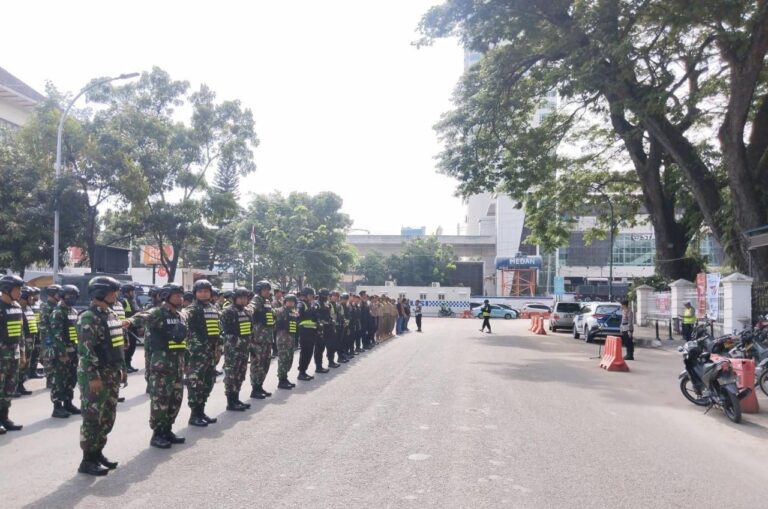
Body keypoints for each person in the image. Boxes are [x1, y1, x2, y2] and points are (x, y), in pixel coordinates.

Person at [76, 276, 126, 475]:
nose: (116, 295)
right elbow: (86, 351)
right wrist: (93, 376)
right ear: (100, 293)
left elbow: (117, 345)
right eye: (112, 292)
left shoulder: (111, 314)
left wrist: (121, 369)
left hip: (111, 372)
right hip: (95, 376)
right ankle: (87, 460)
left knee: (107, 417)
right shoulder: (88, 318)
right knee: (92, 418)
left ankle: (97, 452)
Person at [140, 284, 188, 448]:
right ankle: (157, 434)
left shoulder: (181, 315)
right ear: (166, 296)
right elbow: (143, 316)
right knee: (161, 400)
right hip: (161, 365)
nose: (180, 298)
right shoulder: (157, 313)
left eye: (181, 296)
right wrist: (128, 321)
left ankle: (167, 430)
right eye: (176, 295)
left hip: (177, 365)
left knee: (175, 399)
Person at [185, 279, 220, 427]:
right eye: (200, 291)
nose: (203, 294)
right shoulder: (193, 309)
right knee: (196, 384)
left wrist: (219, 346)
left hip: (211, 352)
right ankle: (194, 415)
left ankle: (201, 411)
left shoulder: (213, 308)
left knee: (208, 382)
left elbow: (218, 328)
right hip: (197, 354)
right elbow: (184, 315)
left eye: (206, 291)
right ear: (195, 293)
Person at [49, 285, 82, 418]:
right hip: (61, 352)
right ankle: (57, 407)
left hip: (73, 350)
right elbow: (56, 335)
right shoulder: (58, 312)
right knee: (59, 379)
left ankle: (68, 403)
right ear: (62, 297)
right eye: (69, 297)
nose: (72, 299)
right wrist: (62, 353)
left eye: (74, 297)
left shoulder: (74, 312)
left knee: (71, 378)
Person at [0, 275, 26, 434]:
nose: (20, 293)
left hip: (14, 353)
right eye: (17, 290)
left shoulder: (17, 306)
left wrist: (22, 353)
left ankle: (5, 418)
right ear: (6, 290)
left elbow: (20, 333)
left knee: (9, 388)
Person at [221, 287, 252, 410]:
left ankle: (236, 398)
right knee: (232, 374)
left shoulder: (246, 311)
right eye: (241, 297)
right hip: (233, 348)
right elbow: (224, 329)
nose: (243, 300)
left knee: (240, 373)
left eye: (245, 298)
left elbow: (250, 328)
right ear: (235, 298)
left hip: (244, 347)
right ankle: (231, 402)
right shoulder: (228, 311)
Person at [249, 280, 275, 399]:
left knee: (265, 363)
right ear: (259, 290)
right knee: (257, 363)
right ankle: (255, 389)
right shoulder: (257, 299)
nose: (267, 292)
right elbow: (251, 307)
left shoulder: (268, 301)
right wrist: (248, 310)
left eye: (268, 290)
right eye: (265, 289)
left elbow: (272, 313)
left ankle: (260, 385)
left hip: (267, 338)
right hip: (257, 338)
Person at [39, 284, 62, 388]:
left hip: (55, 335)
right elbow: (44, 324)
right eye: (58, 293)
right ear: (52, 294)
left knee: (56, 357)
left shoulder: (57, 305)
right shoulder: (46, 306)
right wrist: (49, 336)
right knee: (48, 358)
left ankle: (55, 378)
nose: (60, 296)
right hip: (48, 336)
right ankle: (49, 380)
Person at [273, 293, 299, 389]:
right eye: (288, 301)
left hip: (291, 338)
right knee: (283, 359)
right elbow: (275, 313)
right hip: (282, 339)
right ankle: (281, 380)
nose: (290, 303)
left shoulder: (294, 312)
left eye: (292, 301)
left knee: (289, 359)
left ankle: (285, 377)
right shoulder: (281, 311)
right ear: (285, 302)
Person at [15, 287, 37, 396]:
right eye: (30, 296)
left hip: (30, 341)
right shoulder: (18, 309)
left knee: (26, 364)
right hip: (22, 341)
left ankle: (20, 384)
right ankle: (15, 387)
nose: (32, 298)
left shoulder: (29, 308)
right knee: (19, 365)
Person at [296, 287, 319, 381]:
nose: (312, 297)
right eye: (310, 295)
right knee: (305, 353)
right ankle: (301, 372)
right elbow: (297, 316)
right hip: (304, 333)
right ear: (305, 295)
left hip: (311, 333)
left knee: (309, 353)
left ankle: (304, 371)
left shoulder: (310, 305)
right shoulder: (301, 305)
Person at [118, 284, 140, 373]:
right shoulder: (123, 301)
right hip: (127, 329)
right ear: (126, 292)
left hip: (133, 327)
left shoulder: (133, 301)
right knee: (127, 348)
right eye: (132, 291)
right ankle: (125, 366)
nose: (133, 293)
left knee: (132, 347)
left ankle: (129, 364)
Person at [315, 289, 332, 371]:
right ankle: (318, 366)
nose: (327, 297)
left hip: (326, 328)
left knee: (322, 348)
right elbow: (316, 316)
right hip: (319, 329)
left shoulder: (325, 304)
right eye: (326, 296)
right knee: (319, 348)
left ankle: (320, 366)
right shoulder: (317, 304)